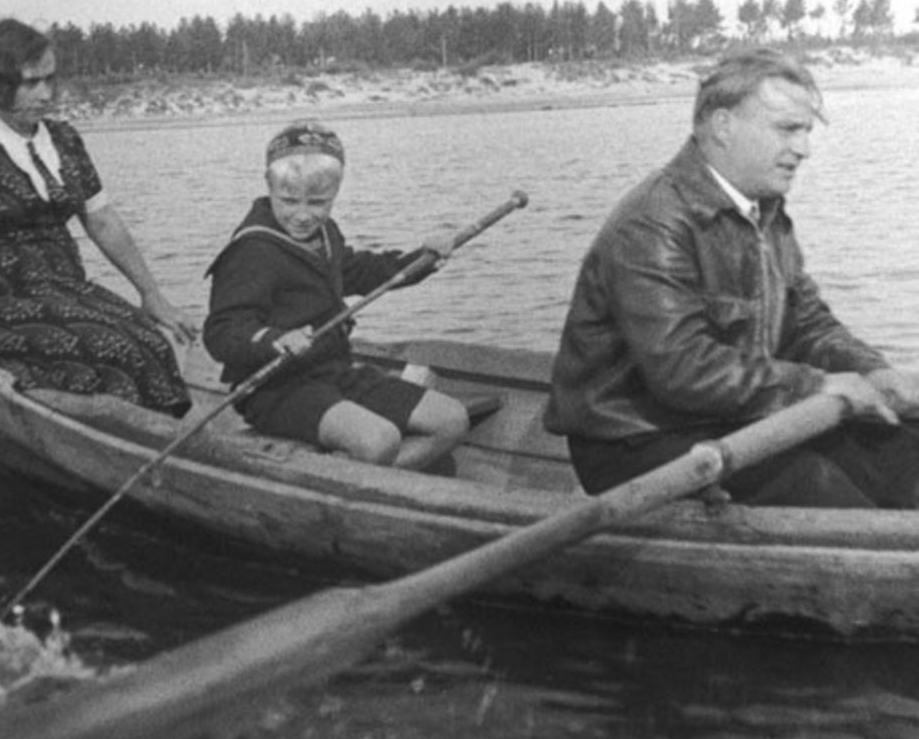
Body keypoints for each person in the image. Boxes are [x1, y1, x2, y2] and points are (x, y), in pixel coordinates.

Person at [544, 47, 919, 508]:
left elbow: (807, 325)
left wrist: (872, 371)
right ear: (723, 126)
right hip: (632, 441)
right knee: (815, 484)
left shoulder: (764, 211)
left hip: (729, 417)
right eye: (788, 129)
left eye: (805, 131)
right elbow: (682, 369)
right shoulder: (652, 223)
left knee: (903, 448)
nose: (803, 149)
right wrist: (816, 386)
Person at [0, 17, 194, 416]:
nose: (45, 94)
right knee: (115, 348)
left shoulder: (64, 139)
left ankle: (153, 433)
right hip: (0, 298)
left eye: (50, 80)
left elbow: (102, 221)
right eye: (30, 83)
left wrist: (151, 294)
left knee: (151, 340)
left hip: (65, 288)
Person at [202, 119, 469, 471]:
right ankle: (354, 481)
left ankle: (368, 481)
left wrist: (422, 259)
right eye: (289, 201)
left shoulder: (326, 234)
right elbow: (222, 332)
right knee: (380, 440)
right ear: (269, 185)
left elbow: (359, 272)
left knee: (451, 420)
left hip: (334, 372)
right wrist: (275, 339)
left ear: (336, 192)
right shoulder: (251, 251)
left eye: (317, 202)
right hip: (275, 389)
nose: (302, 215)